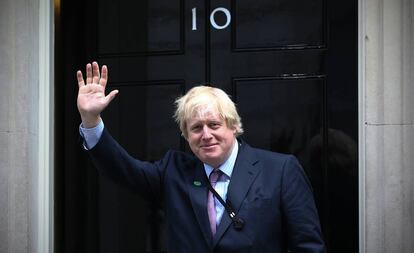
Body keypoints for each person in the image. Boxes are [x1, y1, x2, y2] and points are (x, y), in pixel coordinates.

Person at [77, 62, 326, 252]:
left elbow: (308, 246)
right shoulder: (173, 172)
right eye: (196, 128)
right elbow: (123, 169)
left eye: (214, 125)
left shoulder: (280, 171)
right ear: (186, 135)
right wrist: (90, 121)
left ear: (233, 126)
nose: (206, 135)